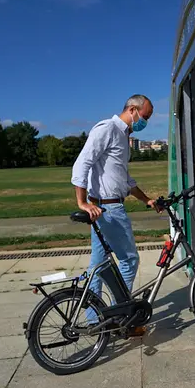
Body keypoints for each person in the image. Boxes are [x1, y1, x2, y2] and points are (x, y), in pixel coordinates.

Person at [71, 94, 163, 337]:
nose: (146, 122)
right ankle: (120, 317)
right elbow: (82, 164)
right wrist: (82, 202)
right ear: (132, 110)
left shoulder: (123, 136)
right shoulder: (108, 129)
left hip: (105, 208)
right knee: (129, 260)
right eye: (145, 116)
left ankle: (95, 321)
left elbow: (124, 179)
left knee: (98, 266)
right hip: (109, 210)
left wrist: (147, 200)